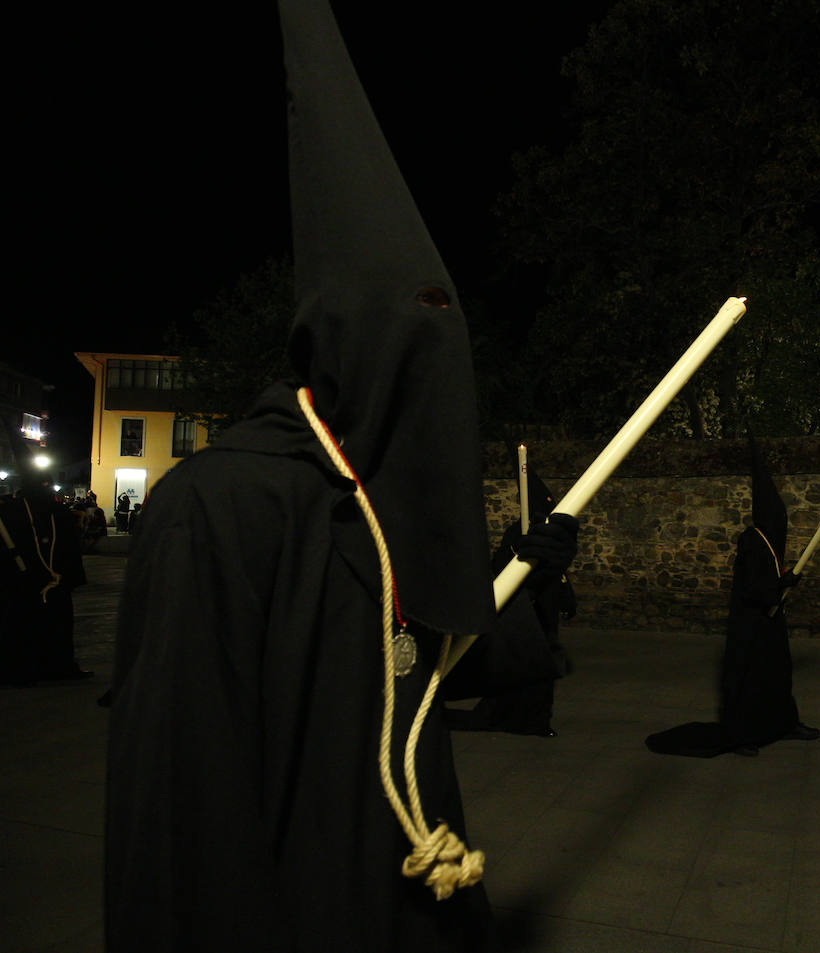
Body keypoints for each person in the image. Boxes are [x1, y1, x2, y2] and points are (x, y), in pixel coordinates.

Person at [104, 1, 573, 949]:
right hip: (297, 900)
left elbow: (434, 673)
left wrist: (530, 576)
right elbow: (176, 818)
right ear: (355, 345)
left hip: (405, 884)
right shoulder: (216, 509)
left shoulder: (384, 492)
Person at [646, 439, 819, 757]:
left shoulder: (769, 541)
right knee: (750, 678)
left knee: (778, 674)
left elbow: (767, 582)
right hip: (750, 624)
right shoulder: (753, 541)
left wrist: (782, 582)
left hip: (770, 621)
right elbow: (752, 588)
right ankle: (745, 733)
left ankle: (783, 722)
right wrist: (781, 585)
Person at [447, 466, 574, 737]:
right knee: (526, 661)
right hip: (527, 609)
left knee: (544, 671)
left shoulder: (547, 531)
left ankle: (537, 719)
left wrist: (565, 596)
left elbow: (557, 571)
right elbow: (502, 563)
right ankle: (518, 716)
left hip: (545, 608)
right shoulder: (519, 531)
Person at [0, 458, 91, 685]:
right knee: (23, 626)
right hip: (24, 583)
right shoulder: (13, 512)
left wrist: (65, 576)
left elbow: (68, 545)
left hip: (52, 582)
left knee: (56, 626)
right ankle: (24, 670)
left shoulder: (56, 512)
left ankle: (58, 667)